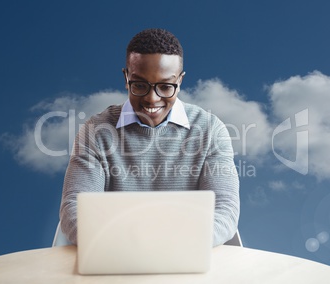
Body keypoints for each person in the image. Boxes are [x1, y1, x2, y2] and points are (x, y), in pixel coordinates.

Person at [60, 28, 240, 247]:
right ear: (126, 78)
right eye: (139, 85)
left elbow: (225, 209)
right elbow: (75, 209)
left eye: (165, 87)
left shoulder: (210, 130)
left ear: (180, 81)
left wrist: (177, 245)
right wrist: (127, 246)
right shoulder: (95, 132)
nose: (152, 99)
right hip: (114, 254)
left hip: (187, 253)